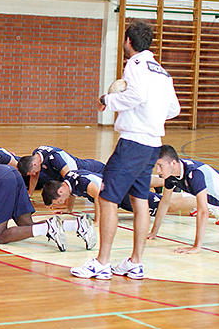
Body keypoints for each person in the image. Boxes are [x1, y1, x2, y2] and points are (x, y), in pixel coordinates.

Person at [71, 20, 180, 280]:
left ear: (128, 41)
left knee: (107, 198)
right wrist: (152, 115)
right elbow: (174, 109)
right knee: (139, 199)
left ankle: (102, 262)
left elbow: (137, 96)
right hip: (153, 144)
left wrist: (107, 100)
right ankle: (135, 262)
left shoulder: (135, 64)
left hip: (133, 143)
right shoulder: (162, 72)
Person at [149, 145, 219, 254]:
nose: (157, 170)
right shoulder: (171, 176)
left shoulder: (194, 173)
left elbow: (203, 211)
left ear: (173, 163)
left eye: (160, 166)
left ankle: (215, 208)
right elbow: (165, 201)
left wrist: (196, 247)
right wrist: (154, 232)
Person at [41, 169, 169, 220]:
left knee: (164, 205)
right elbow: (72, 193)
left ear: (60, 191)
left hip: (121, 191)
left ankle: (185, 195)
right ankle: (169, 181)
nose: (61, 202)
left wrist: (97, 220)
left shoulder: (81, 183)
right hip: (116, 182)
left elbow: (98, 196)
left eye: (59, 201)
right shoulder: (68, 179)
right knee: (142, 181)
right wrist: (68, 209)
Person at [17, 145, 106, 196]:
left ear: (34, 164)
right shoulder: (36, 155)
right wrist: (30, 194)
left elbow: (69, 180)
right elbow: (34, 175)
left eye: (32, 171)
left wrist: (66, 204)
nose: (34, 174)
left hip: (92, 169)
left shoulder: (55, 159)